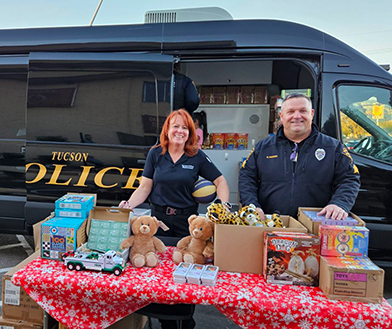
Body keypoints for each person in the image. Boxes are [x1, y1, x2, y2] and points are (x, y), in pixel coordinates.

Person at [119, 109, 230, 329]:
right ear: (167, 130)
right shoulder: (155, 154)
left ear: (190, 132)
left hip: (186, 225)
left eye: (185, 127)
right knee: (157, 273)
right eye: (175, 126)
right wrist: (129, 205)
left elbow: (220, 181)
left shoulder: (196, 156)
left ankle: (186, 320)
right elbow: (145, 186)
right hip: (157, 222)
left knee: (183, 273)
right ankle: (163, 320)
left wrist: (222, 205)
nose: (180, 131)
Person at [239, 93, 360, 221]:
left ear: (312, 114)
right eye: (290, 111)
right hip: (271, 224)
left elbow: (349, 178)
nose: (297, 116)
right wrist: (252, 206)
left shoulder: (333, 148)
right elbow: (246, 177)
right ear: (281, 116)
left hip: (315, 226)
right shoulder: (263, 148)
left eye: (303, 111)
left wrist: (339, 204)